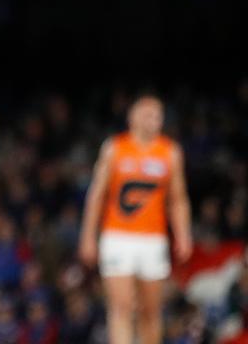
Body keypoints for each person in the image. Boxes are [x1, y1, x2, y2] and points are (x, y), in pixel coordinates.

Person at [79, 95, 193, 344]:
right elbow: (97, 195)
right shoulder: (115, 148)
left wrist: (183, 233)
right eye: (147, 114)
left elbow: (178, 198)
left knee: (151, 311)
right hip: (117, 235)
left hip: (153, 238)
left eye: (157, 115)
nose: (153, 120)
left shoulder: (170, 152)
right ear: (132, 117)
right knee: (121, 307)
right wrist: (88, 236)